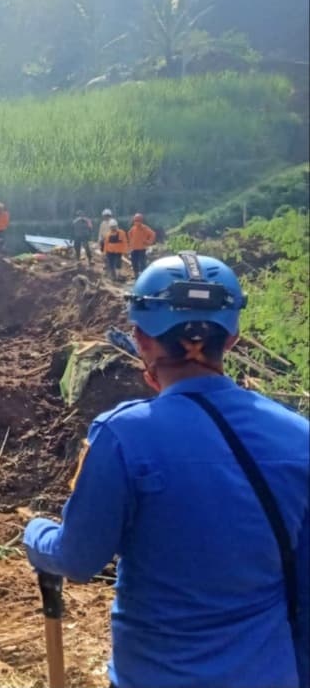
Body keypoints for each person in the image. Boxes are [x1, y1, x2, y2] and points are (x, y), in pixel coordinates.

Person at [24, 252, 309, 688]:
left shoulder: (123, 436)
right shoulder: (299, 437)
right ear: (231, 339)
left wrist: (37, 536)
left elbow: (78, 558)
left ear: (140, 339)